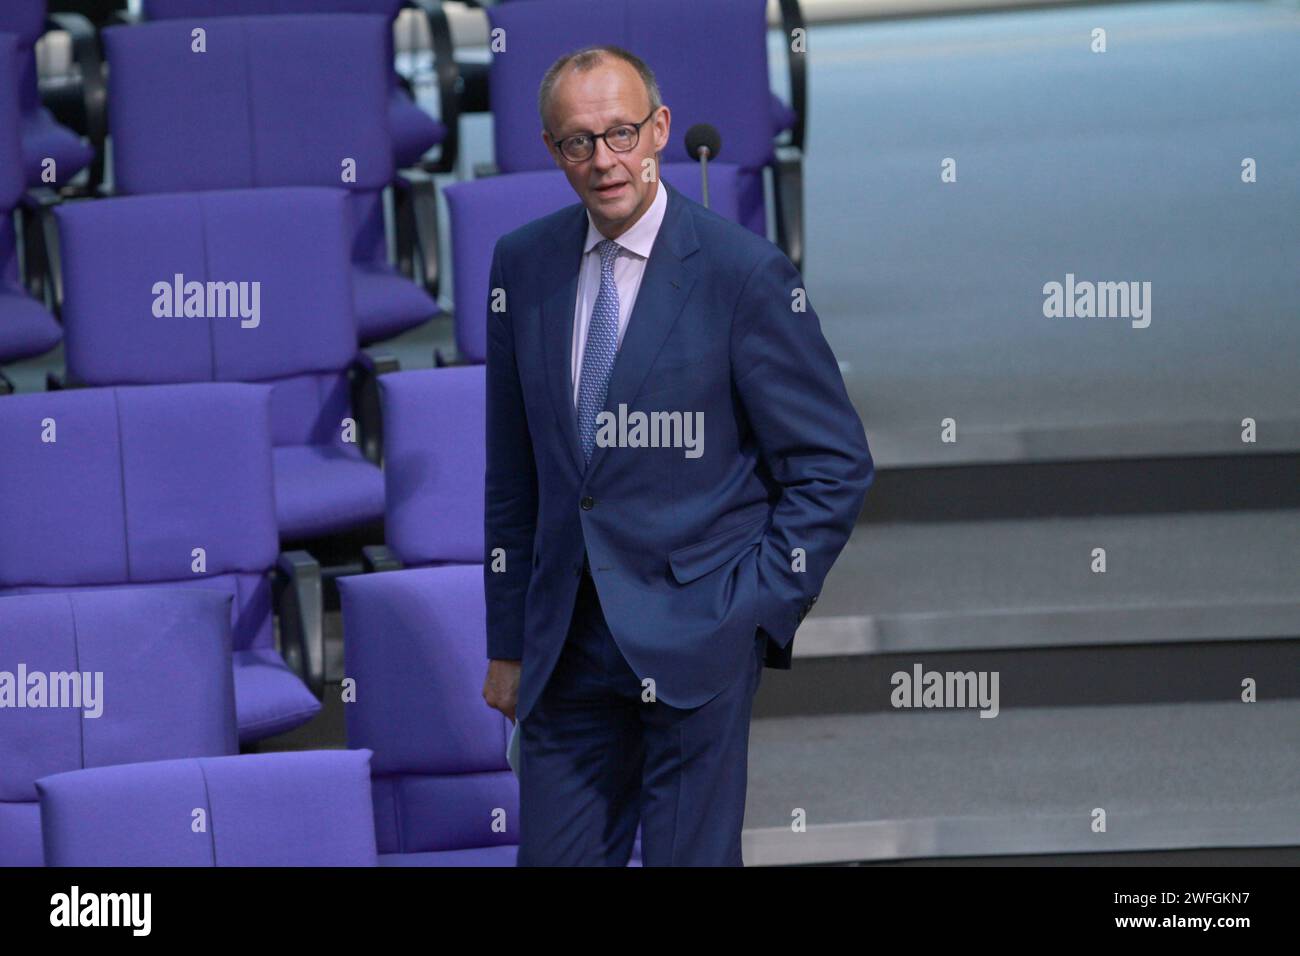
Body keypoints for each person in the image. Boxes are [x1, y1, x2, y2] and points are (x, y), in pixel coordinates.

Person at [482, 45, 873, 866]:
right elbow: (514, 471)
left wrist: (756, 608)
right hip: (567, 645)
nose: (604, 161)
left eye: (621, 133)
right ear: (552, 150)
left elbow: (832, 462)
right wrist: (509, 641)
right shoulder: (521, 265)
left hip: (699, 635)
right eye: (578, 142)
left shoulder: (744, 274)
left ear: (659, 129)